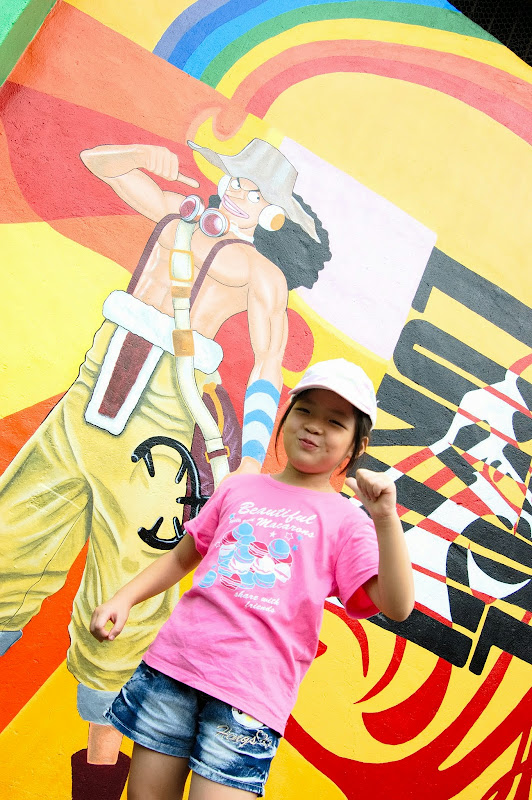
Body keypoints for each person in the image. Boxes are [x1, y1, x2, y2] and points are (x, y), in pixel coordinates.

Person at [0, 137, 331, 794]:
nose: (238, 192)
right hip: (88, 398)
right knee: (10, 542)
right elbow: (96, 164)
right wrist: (146, 153)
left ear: (274, 213)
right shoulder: (174, 219)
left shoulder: (261, 275)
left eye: (255, 190)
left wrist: (249, 459)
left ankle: (98, 780)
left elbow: (268, 365)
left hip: (158, 429)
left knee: (121, 610)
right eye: (235, 178)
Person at [90, 358, 415, 799]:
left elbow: (397, 606)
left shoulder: (348, 521)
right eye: (305, 411)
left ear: (357, 446)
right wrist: (124, 599)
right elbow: (182, 559)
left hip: (250, 696)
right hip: (174, 668)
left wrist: (386, 520)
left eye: (335, 422)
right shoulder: (238, 488)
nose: (314, 426)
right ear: (286, 415)